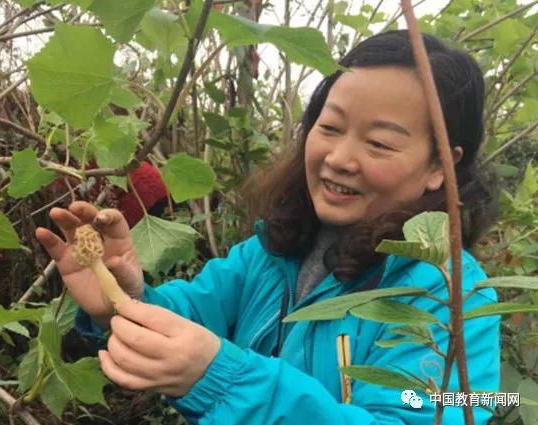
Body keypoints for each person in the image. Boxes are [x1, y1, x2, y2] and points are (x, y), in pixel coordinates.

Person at [35, 30, 500, 424]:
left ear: (441, 166)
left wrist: (223, 380)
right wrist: (122, 301)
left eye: (379, 143)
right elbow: (193, 316)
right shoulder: (269, 254)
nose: (338, 159)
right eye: (330, 127)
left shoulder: (452, 299)